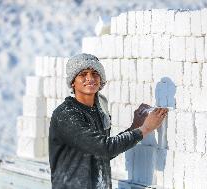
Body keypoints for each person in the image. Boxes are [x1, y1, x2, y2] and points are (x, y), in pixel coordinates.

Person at [49, 53, 168, 189]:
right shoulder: (67, 114)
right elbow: (104, 149)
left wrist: (135, 127)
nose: (90, 78)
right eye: (83, 74)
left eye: (95, 73)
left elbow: (99, 154)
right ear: (72, 82)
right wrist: (145, 129)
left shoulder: (98, 110)